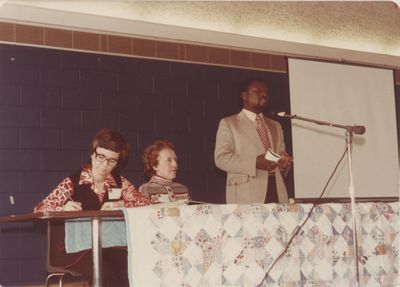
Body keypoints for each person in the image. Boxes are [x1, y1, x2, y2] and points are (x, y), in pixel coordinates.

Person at [34, 128, 150, 287]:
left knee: (129, 266)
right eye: (101, 157)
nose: (104, 164)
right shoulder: (72, 182)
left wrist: (122, 204)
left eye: (112, 160)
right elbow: (40, 209)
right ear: (92, 154)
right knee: (105, 270)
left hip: (107, 245)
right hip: (71, 249)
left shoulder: (119, 182)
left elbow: (145, 204)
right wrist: (62, 208)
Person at [214, 77, 292, 204]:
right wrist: (254, 162)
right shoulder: (229, 123)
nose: (264, 94)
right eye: (257, 91)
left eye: (266, 92)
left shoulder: (276, 125)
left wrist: (284, 164)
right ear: (244, 96)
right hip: (247, 193)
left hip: (277, 191)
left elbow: (281, 156)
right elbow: (221, 159)